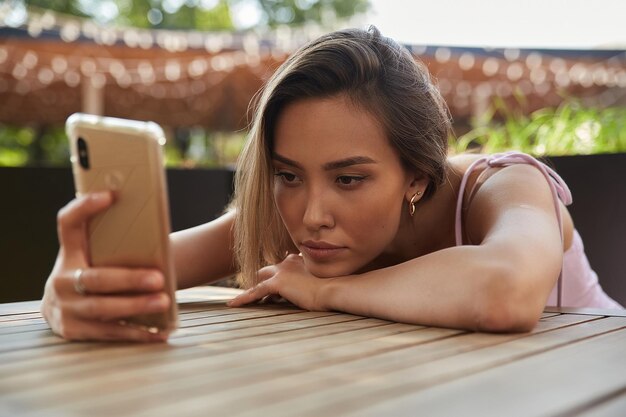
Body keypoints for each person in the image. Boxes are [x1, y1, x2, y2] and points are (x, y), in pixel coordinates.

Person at [41, 27, 622, 342]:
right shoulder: (289, 213)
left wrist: (325, 292)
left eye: (349, 178)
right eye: (288, 174)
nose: (312, 213)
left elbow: (506, 292)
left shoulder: (503, 185)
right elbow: (141, 267)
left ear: (416, 173)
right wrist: (66, 290)